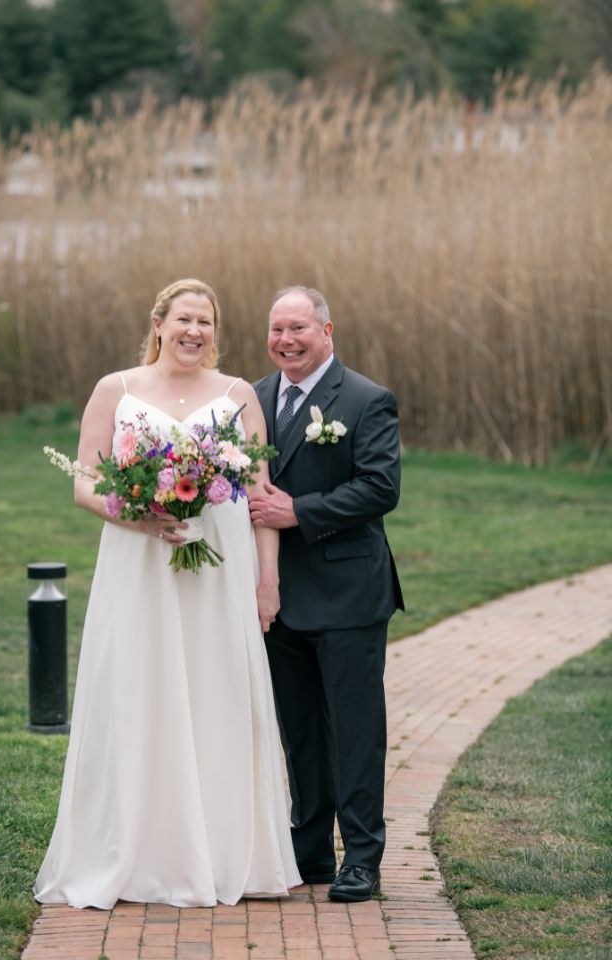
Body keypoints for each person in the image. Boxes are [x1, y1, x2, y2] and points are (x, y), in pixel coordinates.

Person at [34, 278, 302, 909]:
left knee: (218, 692)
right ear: (159, 323)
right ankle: (140, 851)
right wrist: (143, 518)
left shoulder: (238, 396)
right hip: (140, 565)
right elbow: (83, 482)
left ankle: (227, 851)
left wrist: (268, 580)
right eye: (184, 318)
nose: (194, 331)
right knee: (139, 687)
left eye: (205, 322)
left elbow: (260, 496)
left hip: (219, 570)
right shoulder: (116, 390)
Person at [249, 286, 404, 903]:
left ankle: (362, 858)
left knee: (356, 729)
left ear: (327, 330)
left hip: (346, 592)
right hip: (276, 595)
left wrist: (300, 512)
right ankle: (309, 850)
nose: (286, 340)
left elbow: (380, 488)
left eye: (298, 329)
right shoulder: (252, 398)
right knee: (301, 730)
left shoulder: (367, 400)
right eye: (276, 329)